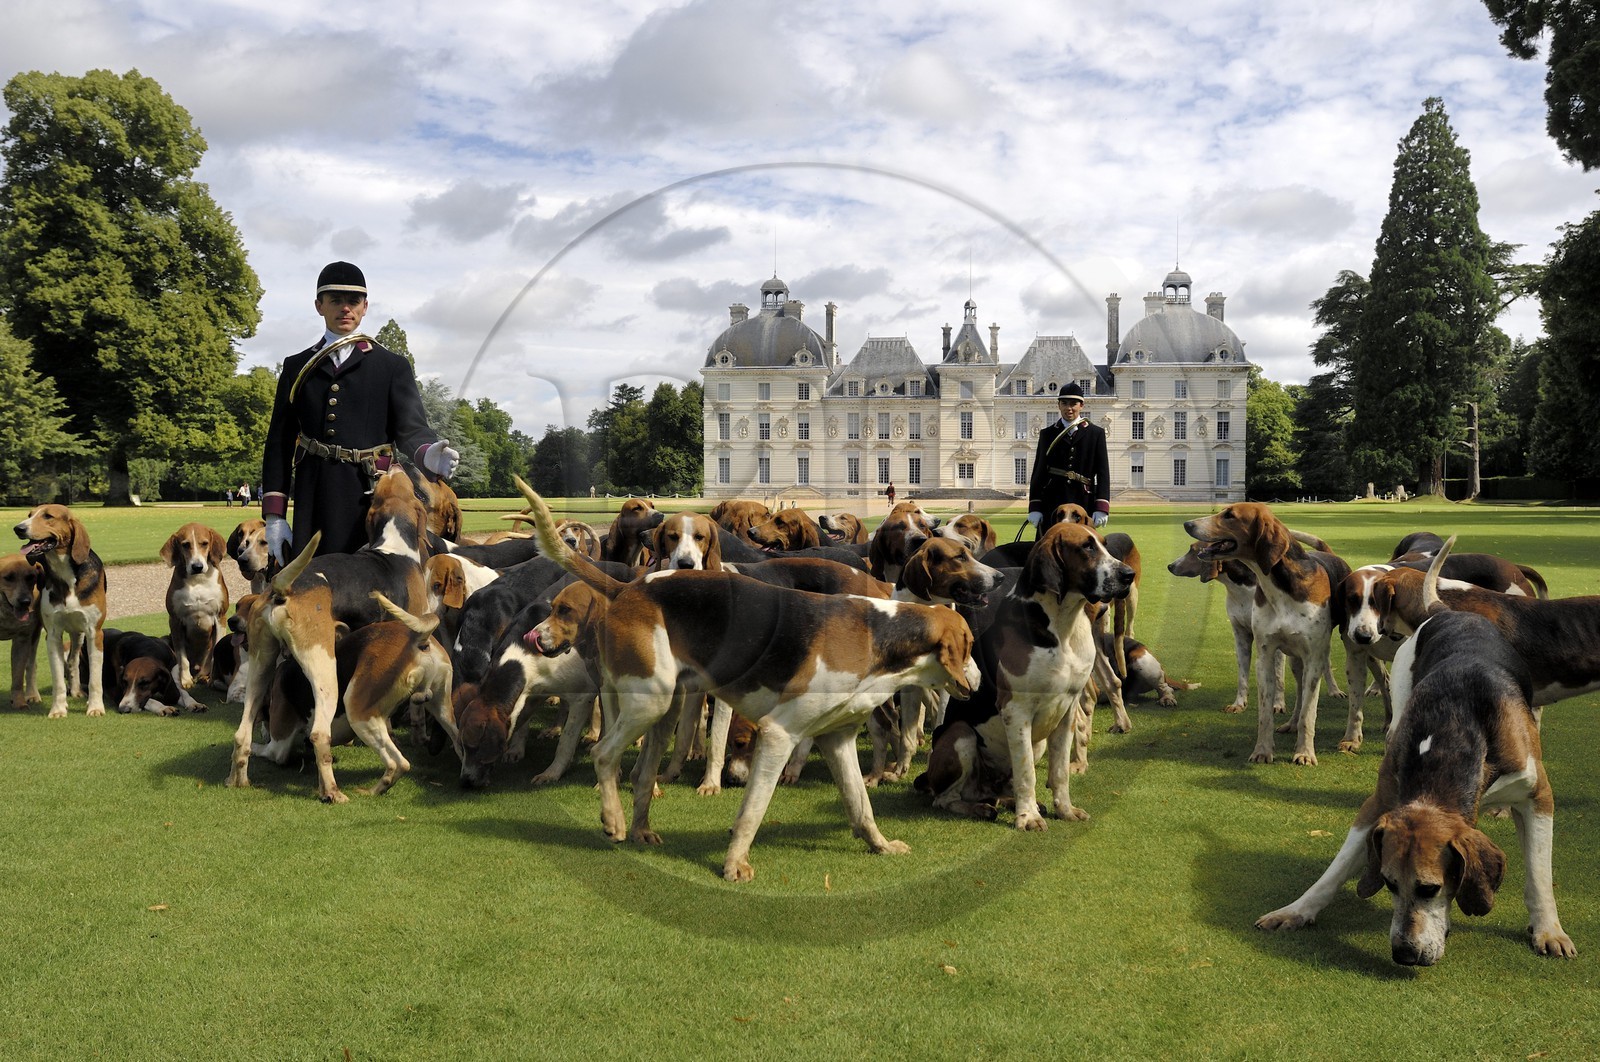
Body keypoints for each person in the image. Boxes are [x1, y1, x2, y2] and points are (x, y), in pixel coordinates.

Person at [261, 261, 458, 561]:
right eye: (335, 301)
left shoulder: (391, 366)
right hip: (313, 496)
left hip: (373, 496)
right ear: (319, 305)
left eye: (353, 302)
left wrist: (428, 453)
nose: (345, 309)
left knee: (377, 590)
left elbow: (411, 428)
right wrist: (274, 516)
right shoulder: (296, 366)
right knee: (313, 587)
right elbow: (279, 443)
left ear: (365, 306)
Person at [1026, 381, 1110, 534]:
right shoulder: (1047, 434)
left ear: (1081, 405)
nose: (1068, 408)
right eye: (1064, 403)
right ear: (1058, 405)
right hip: (1053, 500)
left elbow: (1103, 473)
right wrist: (1035, 506)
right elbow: (1039, 472)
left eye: (1073, 403)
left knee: (1084, 550)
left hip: (1084, 500)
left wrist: (1102, 506)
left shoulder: (1096, 434)